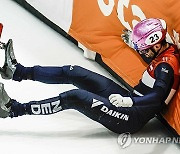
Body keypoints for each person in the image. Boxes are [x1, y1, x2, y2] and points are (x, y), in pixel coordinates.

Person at [0, 18, 179, 134]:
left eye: (142, 49)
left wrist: (130, 102)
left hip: (131, 116)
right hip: (130, 100)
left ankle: (13, 109)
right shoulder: (165, 50)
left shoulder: (166, 66)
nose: (141, 51)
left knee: (74, 97)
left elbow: (156, 98)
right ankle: (17, 71)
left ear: (156, 45)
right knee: (74, 72)